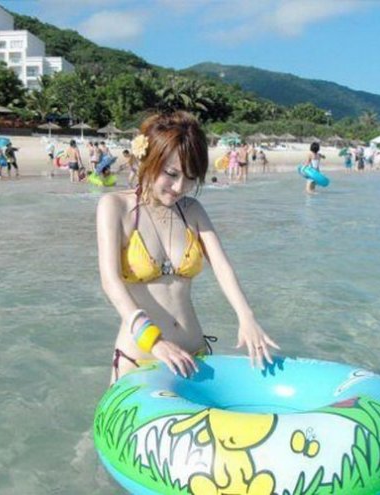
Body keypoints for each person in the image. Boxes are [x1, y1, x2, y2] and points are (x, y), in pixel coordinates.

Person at [96, 111, 279, 384]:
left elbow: (222, 267)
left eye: (191, 177)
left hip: (195, 356)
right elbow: (110, 282)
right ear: (148, 159)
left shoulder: (192, 210)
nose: (180, 187)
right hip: (140, 358)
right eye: (171, 174)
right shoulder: (115, 207)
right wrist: (155, 342)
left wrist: (246, 317)